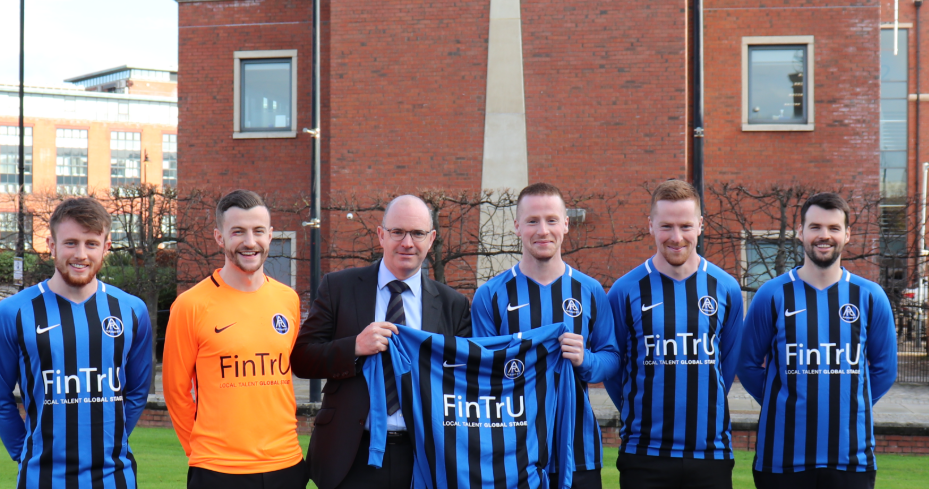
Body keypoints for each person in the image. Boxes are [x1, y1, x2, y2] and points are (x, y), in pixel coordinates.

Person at [291, 194, 473, 489]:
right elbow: (301, 358)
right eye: (397, 232)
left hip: (423, 456)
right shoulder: (338, 287)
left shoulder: (454, 305)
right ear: (381, 235)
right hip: (351, 455)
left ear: (431, 239)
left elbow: (466, 380)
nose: (407, 243)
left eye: (417, 233)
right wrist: (354, 347)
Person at [0, 196, 153, 489]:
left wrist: (113, 439)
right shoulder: (12, 313)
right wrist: (25, 450)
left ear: (106, 247)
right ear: (51, 245)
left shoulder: (131, 310)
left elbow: (137, 391)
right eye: (71, 242)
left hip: (115, 479)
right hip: (42, 479)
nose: (81, 254)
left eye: (91, 243)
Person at [738, 192, 897, 489]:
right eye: (815, 227)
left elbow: (884, 370)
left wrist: (847, 401)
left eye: (834, 228)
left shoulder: (870, 296)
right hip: (781, 460)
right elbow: (746, 365)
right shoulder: (771, 295)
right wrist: (782, 402)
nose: (824, 236)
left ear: (847, 235)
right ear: (800, 232)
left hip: (851, 459)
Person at [471, 182, 620, 489]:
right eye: (532, 221)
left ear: (565, 224)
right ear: (516, 227)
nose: (542, 230)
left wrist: (586, 360)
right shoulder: (490, 295)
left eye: (551, 220)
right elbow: (481, 373)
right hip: (512, 451)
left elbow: (613, 358)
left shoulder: (590, 291)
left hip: (578, 449)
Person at [604, 179, 746, 489]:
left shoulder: (726, 288)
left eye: (685, 225)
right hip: (644, 453)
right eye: (666, 226)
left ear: (700, 226)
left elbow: (726, 366)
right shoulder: (625, 291)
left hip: (710, 453)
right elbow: (615, 372)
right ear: (651, 226)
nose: (676, 237)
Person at [163, 190, 306, 489]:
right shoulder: (190, 305)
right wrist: (202, 453)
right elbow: (176, 391)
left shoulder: (287, 299)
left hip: (287, 465)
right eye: (238, 232)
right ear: (219, 237)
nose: (250, 242)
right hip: (218, 470)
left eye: (258, 231)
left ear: (270, 235)